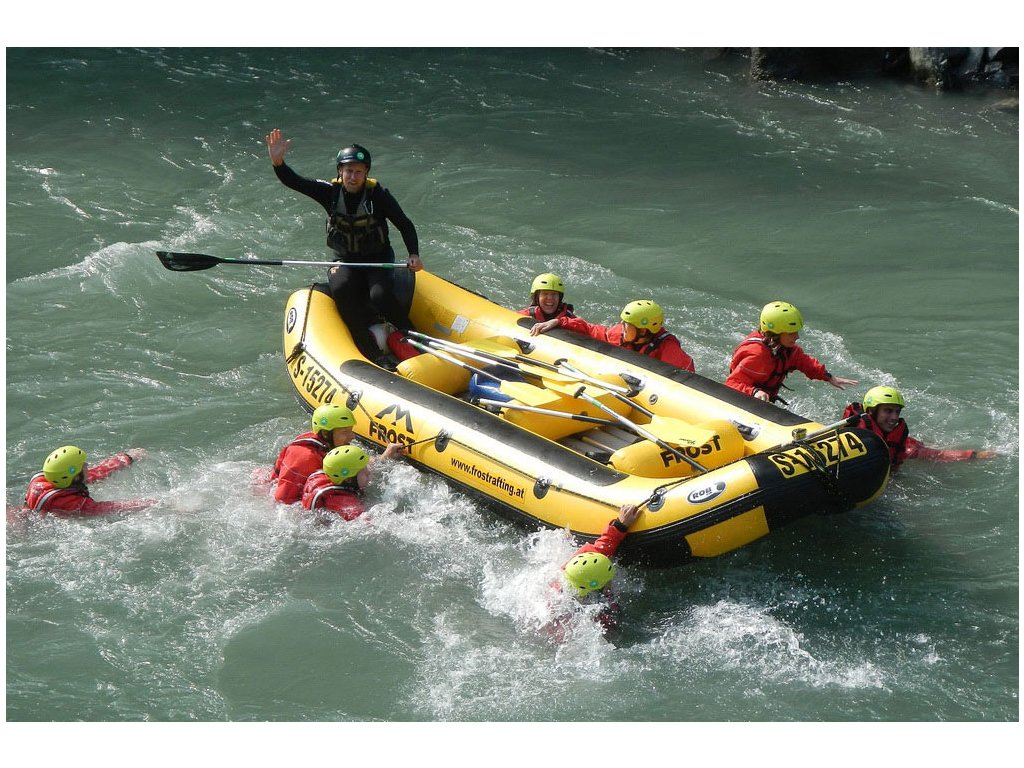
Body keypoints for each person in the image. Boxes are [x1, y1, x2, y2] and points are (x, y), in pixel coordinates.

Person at [265, 128, 423, 367]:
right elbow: (295, 182)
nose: (353, 177)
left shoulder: (379, 196)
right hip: (345, 260)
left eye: (359, 172)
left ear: (366, 173)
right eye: (348, 171)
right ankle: (371, 352)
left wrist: (414, 254)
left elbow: (405, 224)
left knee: (380, 296)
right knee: (342, 291)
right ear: (340, 171)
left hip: (377, 259)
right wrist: (278, 163)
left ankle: (414, 337)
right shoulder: (329, 192)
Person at [265, 403, 405, 504]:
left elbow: (355, 466)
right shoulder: (304, 458)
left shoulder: (331, 444)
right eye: (345, 432)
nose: (352, 436)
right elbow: (282, 500)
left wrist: (385, 457)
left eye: (351, 430)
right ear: (326, 433)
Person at [724, 300, 857, 404]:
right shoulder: (756, 355)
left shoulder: (787, 350)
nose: (797, 337)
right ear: (775, 333)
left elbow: (806, 363)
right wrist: (754, 392)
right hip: (742, 402)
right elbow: (731, 384)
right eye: (791, 333)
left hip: (763, 403)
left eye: (796, 332)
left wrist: (829, 377)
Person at [544, 502, 643, 641]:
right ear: (595, 587)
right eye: (608, 580)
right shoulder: (578, 616)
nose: (611, 581)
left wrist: (620, 525)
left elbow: (605, 545)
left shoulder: (584, 561)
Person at [843, 385, 998, 470]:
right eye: (888, 411)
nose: (894, 417)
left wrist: (974, 455)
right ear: (871, 411)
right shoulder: (850, 432)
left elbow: (938, 454)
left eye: (897, 412)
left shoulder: (902, 444)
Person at [532, 299, 696, 372]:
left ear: (643, 331)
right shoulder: (620, 333)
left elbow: (681, 381)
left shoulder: (669, 350)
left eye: (628, 325)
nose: (622, 326)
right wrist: (560, 321)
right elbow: (590, 329)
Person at [23, 445, 155, 517]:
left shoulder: (44, 480)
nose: (87, 465)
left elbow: (95, 473)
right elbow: (112, 507)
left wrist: (127, 458)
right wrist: (153, 503)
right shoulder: (77, 504)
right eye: (83, 465)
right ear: (76, 477)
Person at [300, 443, 406, 523]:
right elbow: (366, 523)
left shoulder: (333, 475)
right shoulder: (347, 504)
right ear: (349, 480)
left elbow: (364, 467)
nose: (369, 472)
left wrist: (386, 456)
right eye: (364, 472)